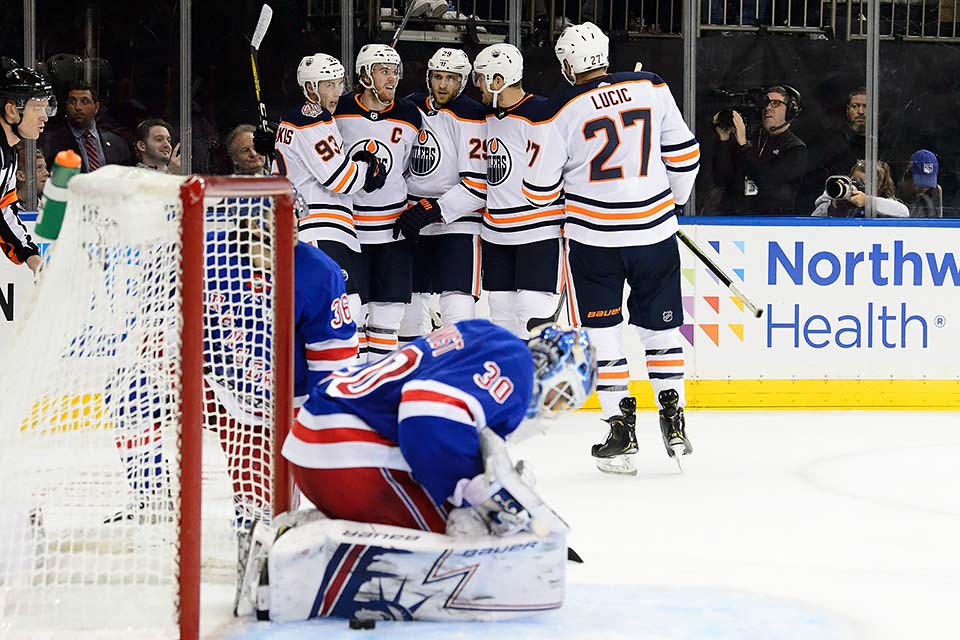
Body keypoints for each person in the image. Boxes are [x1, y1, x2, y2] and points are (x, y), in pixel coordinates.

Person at [108, 212, 360, 533]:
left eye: (292, 221)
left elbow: (333, 369)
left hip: (275, 413)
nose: (286, 229)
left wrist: (309, 432)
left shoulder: (318, 272)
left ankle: (259, 509)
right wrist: (173, 348)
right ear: (249, 223)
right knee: (132, 388)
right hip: (219, 387)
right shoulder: (207, 253)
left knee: (258, 529)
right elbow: (171, 317)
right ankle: (152, 497)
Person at [522, 22, 699, 473]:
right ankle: (673, 416)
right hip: (654, 234)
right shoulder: (651, 86)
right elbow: (684, 156)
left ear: (566, 65)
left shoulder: (558, 109)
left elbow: (537, 191)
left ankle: (621, 428)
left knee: (603, 334)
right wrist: (673, 202)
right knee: (659, 329)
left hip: (595, 241)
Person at [282, 319, 597, 533]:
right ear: (551, 367)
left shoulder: (488, 335)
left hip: (317, 439)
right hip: (344, 451)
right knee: (479, 527)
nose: (551, 409)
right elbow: (427, 412)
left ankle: (315, 532)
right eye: (561, 397)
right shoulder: (518, 369)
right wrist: (473, 490)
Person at [265, 53, 388, 364]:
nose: (336, 93)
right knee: (344, 306)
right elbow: (339, 178)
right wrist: (367, 170)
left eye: (338, 84)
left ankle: (349, 379)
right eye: (329, 85)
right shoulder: (311, 116)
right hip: (319, 224)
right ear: (309, 87)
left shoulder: (300, 119)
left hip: (330, 226)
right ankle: (337, 383)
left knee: (349, 306)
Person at [393, 48, 488, 343]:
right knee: (408, 309)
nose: (443, 85)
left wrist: (435, 209)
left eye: (450, 78)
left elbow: (479, 184)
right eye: (437, 77)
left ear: (463, 81)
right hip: (413, 220)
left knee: (457, 309)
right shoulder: (409, 108)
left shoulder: (473, 115)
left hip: (459, 223)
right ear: (428, 77)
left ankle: (455, 378)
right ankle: (412, 378)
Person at [334, 44, 422, 362]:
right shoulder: (338, 109)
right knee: (353, 314)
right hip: (351, 228)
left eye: (395, 71)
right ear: (365, 75)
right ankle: (354, 388)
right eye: (384, 70)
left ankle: (380, 389)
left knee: (388, 318)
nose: (393, 78)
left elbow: (413, 169)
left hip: (393, 229)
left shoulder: (410, 114)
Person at [473, 43, 563, 339]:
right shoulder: (486, 116)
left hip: (538, 231)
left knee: (532, 312)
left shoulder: (544, 113)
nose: (478, 85)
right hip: (496, 231)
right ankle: (511, 380)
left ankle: (536, 383)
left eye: (482, 78)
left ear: (499, 80)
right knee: (499, 310)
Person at [712, 84, 807, 215]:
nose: (768, 108)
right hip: (734, 217)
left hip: (769, 223)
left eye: (775, 103)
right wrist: (723, 140)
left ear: (790, 110)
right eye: (766, 103)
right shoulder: (750, 138)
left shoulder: (795, 149)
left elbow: (766, 182)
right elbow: (721, 178)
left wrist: (744, 145)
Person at [0, 65, 53, 275]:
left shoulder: (9, 153)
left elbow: (4, 207)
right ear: (12, 110)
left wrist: (30, 255)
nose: (45, 117)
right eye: (36, 108)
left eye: (46, 108)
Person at [41, 82, 131, 173]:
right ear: (66, 106)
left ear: (96, 107)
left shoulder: (116, 142)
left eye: (84, 101)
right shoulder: (50, 142)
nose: (78, 107)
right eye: (73, 101)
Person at [811, 159, 908, 218]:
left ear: (877, 188)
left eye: (862, 183)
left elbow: (904, 212)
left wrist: (867, 201)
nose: (856, 184)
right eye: (854, 180)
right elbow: (813, 219)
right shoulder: (838, 192)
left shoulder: (882, 201)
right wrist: (832, 205)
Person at [899, 149, 943, 218]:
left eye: (928, 184)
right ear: (906, 176)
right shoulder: (890, 199)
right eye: (920, 183)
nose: (923, 188)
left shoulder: (928, 205)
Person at [15, 143, 49, 211]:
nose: (46, 173)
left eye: (45, 167)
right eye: (39, 168)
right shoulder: (5, 210)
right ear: (21, 175)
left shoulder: (49, 209)